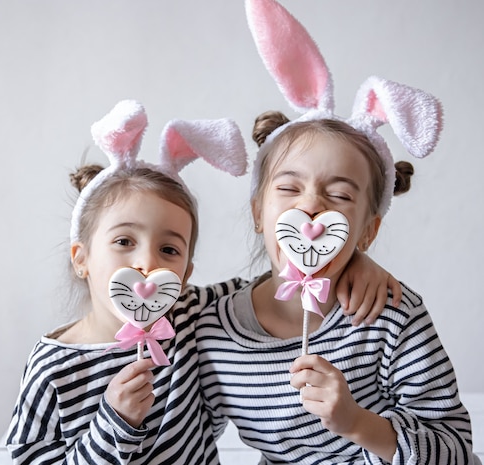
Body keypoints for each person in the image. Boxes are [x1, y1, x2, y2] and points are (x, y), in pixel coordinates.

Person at [4, 100, 402, 465]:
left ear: (187, 273)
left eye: (170, 250)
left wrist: (352, 260)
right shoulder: (52, 369)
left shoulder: (188, 315)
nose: (147, 263)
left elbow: (280, 284)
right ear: (82, 258)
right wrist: (113, 423)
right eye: (124, 241)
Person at [196, 1, 479, 463]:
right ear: (258, 213)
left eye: (341, 196)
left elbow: (455, 450)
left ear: (368, 232)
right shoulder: (211, 324)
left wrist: (356, 423)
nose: (311, 206)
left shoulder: (392, 316)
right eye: (289, 188)